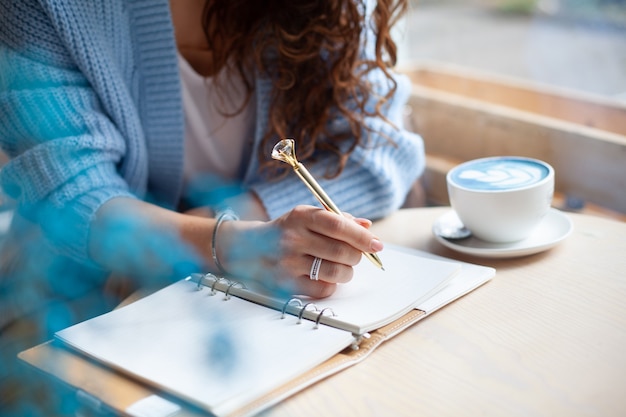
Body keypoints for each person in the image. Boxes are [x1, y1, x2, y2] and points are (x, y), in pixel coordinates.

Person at [0, 0, 424, 414]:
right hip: (79, 305)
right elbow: (70, 193)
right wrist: (231, 243)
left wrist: (223, 225)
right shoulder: (49, 7)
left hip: (257, 321)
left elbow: (380, 152)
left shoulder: (337, 7)